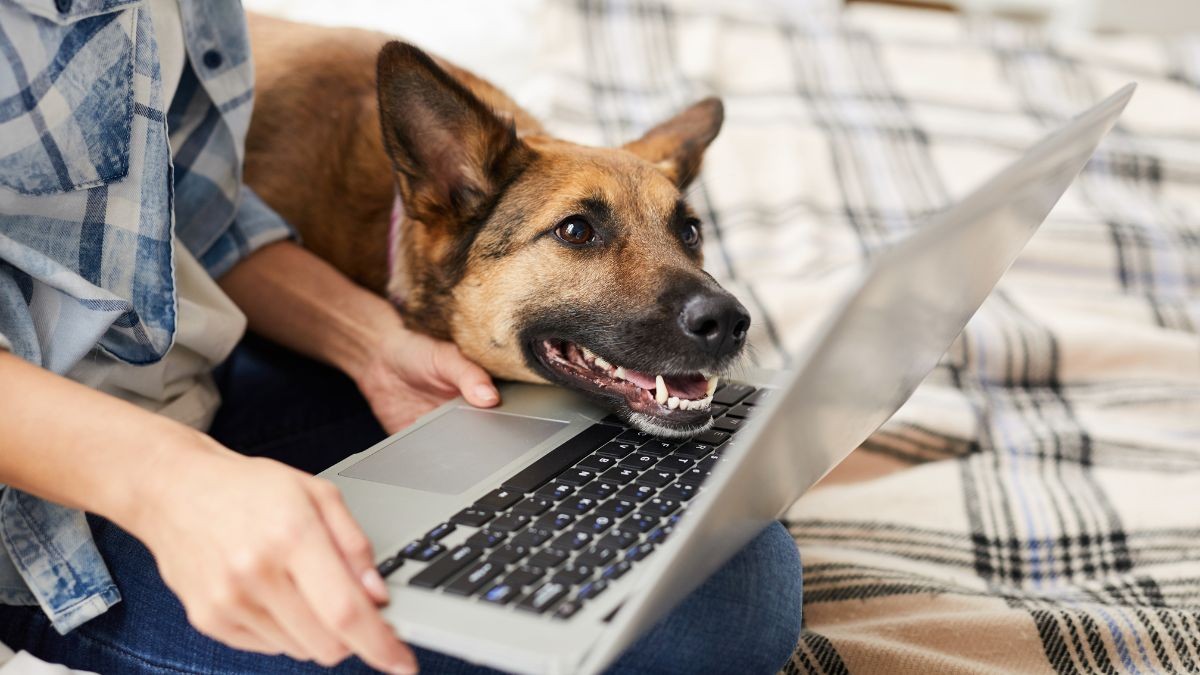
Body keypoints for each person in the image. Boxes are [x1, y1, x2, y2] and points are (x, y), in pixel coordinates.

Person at [0, 1, 804, 673]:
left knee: (733, 562)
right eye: (579, 233)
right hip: (43, 518)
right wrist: (169, 485)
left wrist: (371, 345)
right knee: (703, 624)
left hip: (189, 380)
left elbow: (193, 218)